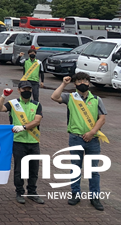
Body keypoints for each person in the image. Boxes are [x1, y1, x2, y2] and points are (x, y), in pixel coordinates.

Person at [51, 73, 107, 211]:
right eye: (80, 80)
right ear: (75, 84)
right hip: (75, 138)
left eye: (85, 80)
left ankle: (95, 197)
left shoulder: (96, 99)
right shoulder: (70, 97)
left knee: (93, 170)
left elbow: (102, 118)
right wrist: (64, 84)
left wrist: (92, 132)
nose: (83, 83)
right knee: (76, 168)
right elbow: (54, 97)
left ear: (89, 83)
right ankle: (75, 194)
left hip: (93, 139)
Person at [0, 81, 44, 205]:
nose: (26, 91)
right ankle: (19, 192)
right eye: (24, 89)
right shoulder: (13, 104)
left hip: (33, 142)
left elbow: (37, 121)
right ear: (19, 90)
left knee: (33, 169)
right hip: (18, 142)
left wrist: (23, 127)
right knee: (19, 169)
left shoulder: (37, 104)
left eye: (28, 89)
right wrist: (3, 96)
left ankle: (32, 192)